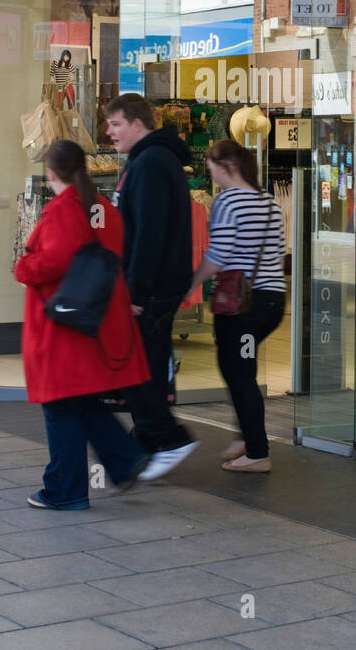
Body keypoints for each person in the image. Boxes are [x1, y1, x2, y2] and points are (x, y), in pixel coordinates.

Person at [13, 139, 152, 508]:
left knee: (61, 405)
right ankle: (124, 458)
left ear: (51, 172)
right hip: (97, 322)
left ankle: (66, 489)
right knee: (82, 402)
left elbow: (54, 261)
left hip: (64, 327)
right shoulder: (104, 209)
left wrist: (22, 266)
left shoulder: (63, 209)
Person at [105, 93, 198, 479]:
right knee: (148, 362)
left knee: (136, 364)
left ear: (138, 124)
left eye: (115, 124)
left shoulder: (151, 163)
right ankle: (147, 443)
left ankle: (170, 437)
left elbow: (148, 233)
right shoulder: (150, 161)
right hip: (159, 284)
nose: (109, 133)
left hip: (153, 288)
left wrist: (136, 293)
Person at [188, 139, 285, 474]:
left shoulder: (229, 201)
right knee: (242, 368)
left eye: (211, 166)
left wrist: (192, 283)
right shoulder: (268, 201)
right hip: (272, 301)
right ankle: (246, 436)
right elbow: (280, 251)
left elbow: (218, 255)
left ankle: (258, 452)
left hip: (243, 305)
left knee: (238, 373)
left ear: (225, 166)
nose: (209, 172)